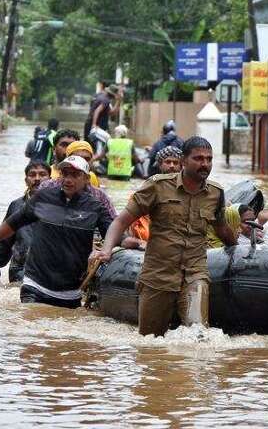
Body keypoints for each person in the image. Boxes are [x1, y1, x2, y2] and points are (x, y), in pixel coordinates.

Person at [96, 136, 237, 336]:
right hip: (158, 275)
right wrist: (106, 250)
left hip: (195, 273)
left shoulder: (215, 193)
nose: (205, 164)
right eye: (198, 159)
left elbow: (222, 229)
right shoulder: (157, 186)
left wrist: (240, 249)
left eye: (209, 159)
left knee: (197, 335)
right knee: (151, 341)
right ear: (183, 161)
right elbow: (120, 221)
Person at [0, 156, 114, 308]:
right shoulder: (43, 198)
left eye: (75, 175)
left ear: (86, 179)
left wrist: (133, 243)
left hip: (71, 293)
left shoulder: (96, 208)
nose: (68, 179)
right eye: (65, 174)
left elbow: (114, 234)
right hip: (35, 285)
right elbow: (12, 224)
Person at [0, 161, 51, 283]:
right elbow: (4, 241)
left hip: (49, 271)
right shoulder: (16, 206)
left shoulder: (60, 205)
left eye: (42, 174)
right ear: (26, 180)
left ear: (50, 179)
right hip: (20, 271)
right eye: (32, 175)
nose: (37, 179)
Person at [126, 145, 183, 245]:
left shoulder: (187, 188)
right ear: (160, 165)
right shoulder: (151, 185)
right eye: (168, 162)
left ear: (181, 166)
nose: (172, 166)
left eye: (175, 163)